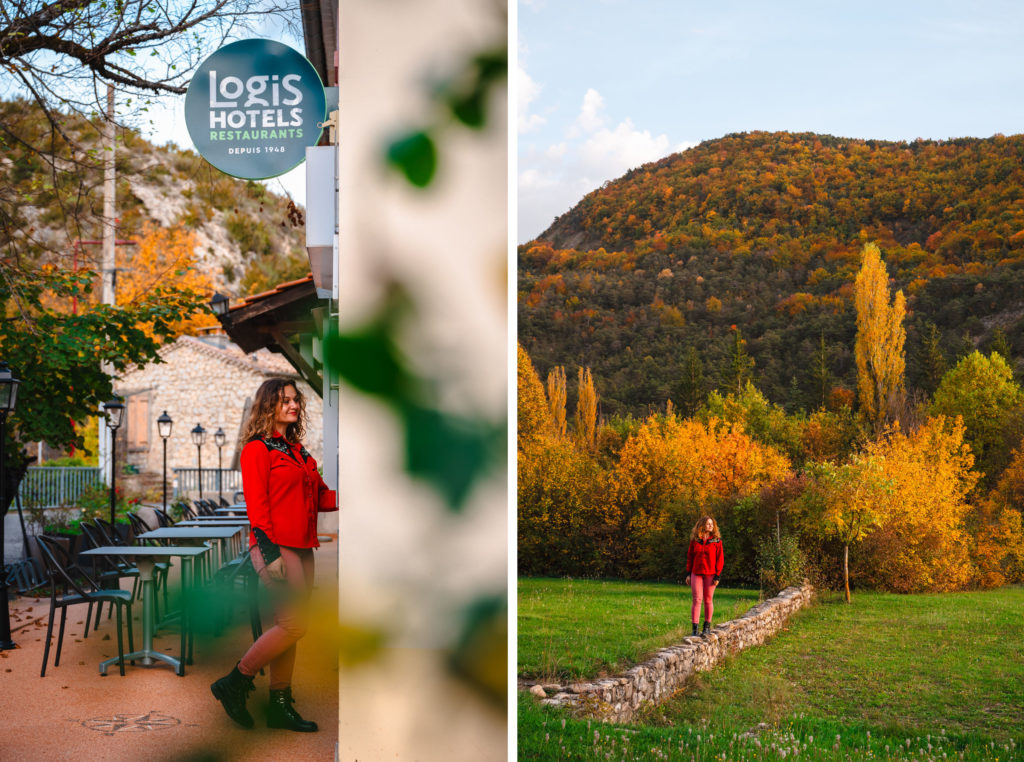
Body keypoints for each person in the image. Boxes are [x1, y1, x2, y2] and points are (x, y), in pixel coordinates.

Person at [211, 378, 337, 731]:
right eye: (285, 400)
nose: (294, 406)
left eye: (296, 400)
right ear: (269, 404)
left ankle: (279, 705)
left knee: (292, 628)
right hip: (276, 547)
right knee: (294, 625)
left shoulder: (299, 453)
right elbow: (258, 508)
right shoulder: (257, 450)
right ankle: (234, 682)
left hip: (303, 546)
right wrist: (269, 555)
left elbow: (323, 497)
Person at [685, 515, 724, 638]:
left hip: (711, 574)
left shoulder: (717, 541)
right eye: (708, 524)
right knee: (697, 599)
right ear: (702, 525)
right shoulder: (695, 540)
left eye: (712, 524)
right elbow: (690, 557)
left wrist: (717, 575)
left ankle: (706, 627)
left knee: (708, 600)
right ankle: (694, 629)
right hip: (696, 573)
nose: (710, 526)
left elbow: (720, 559)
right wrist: (688, 574)